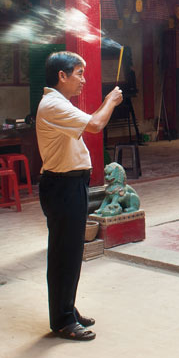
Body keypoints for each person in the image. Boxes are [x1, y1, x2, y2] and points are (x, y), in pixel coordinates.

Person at [35, 51, 123, 341]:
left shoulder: (59, 104)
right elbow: (96, 125)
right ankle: (61, 320)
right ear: (62, 75)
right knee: (64, 254)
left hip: (70, 185)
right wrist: (110, 100)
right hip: (62, 186)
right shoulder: (53, 105)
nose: (83, 80)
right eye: (79, 73)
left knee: (71, 253)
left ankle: (67, 309)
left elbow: (90, 122)